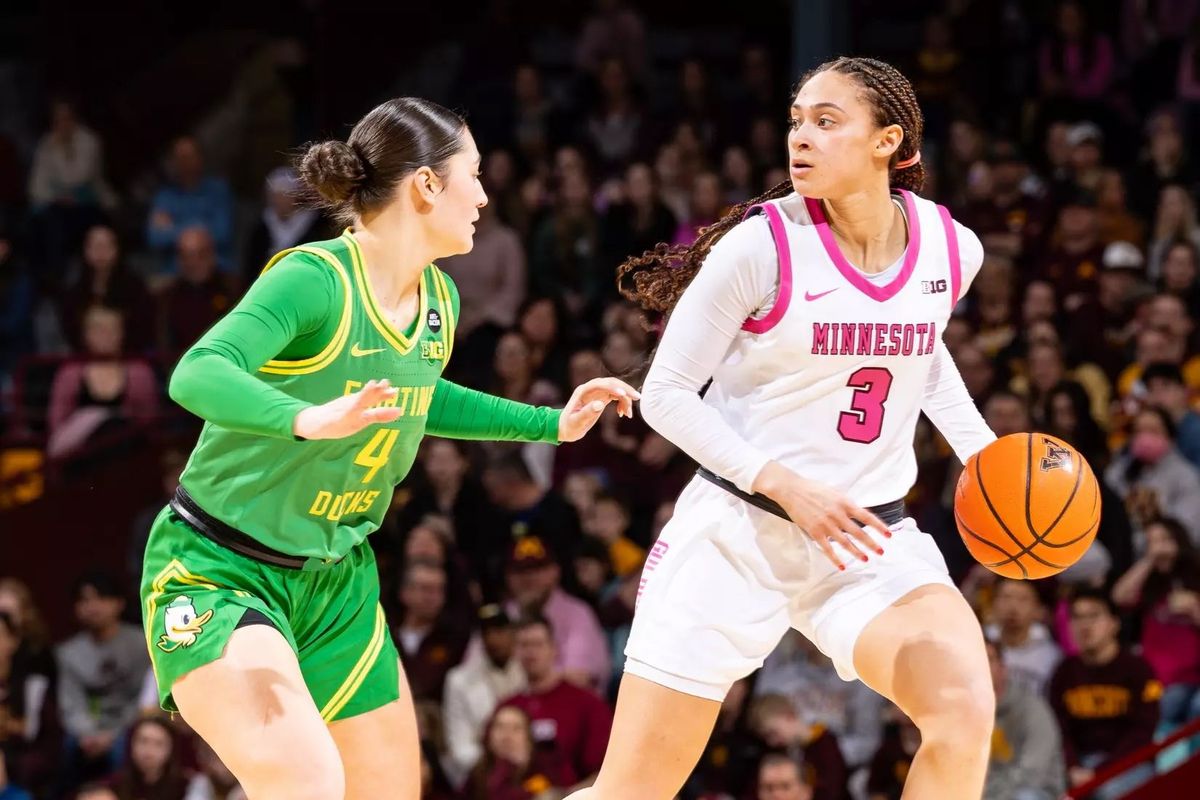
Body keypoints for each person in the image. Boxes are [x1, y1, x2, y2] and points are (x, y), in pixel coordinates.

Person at [139, 97, 637, 800]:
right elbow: (198, 372)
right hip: (222, 570)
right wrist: (306, 418)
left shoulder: (439, 297)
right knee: (307, 782)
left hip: (339, 584)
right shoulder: (314, 278)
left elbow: (419, 396)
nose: (487, 195)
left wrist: (550, 424)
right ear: (427, 185)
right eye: (475, 173)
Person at [567, 56, 997, 800]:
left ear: (887, 141)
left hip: (868, 538)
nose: (800, 137)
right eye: (797, 120)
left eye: (827, 122)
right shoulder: (759, 247)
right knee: (630, 792)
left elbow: (916, 347)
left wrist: (982, 453)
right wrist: (784, 485)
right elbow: (667, 393)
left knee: (962, 715)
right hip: (738, 532)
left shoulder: (951, 248)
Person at [1049, 589, 1160, 799]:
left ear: (1114, 623)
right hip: (1078, 765)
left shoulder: (1139, 670)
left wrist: (1100, 773)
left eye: (1093, 615)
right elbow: (1059, 730)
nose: (1085, 625)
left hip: (1128, 763)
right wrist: (1073, 767)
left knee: (1109, 791)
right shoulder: (1063, 673)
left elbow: (1142, 731)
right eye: (1077, 617)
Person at [499, 616, 613, 789]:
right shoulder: (507, 707)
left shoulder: (587, 704)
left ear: (554, 649)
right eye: (524, 645)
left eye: (537, 644)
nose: (530, 653)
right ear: (515, 652)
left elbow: (605, 772)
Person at [441, 604, 526, 786]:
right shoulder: (459, 680)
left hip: (527, 766)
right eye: (486, 633)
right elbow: (460, 746)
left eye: (500, 631)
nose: (493, 639)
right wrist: (496, 768)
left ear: (513, 633)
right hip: (480, 773)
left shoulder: (528, 673)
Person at [983, 639, 1065, 800]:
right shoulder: (967, 714)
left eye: (989, 659)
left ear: (1003, 668)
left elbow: (1032, 774)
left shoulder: (1032, 709)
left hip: (1040, 791)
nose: (981, 667)